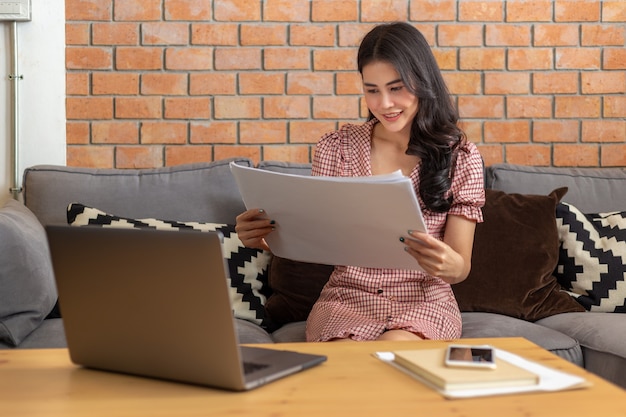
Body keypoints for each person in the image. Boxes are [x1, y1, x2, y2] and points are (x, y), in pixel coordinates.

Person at [235, 22, 485, 342]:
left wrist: (449, 265)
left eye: (396, 88)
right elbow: (316, 237)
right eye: (372, 90)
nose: (384, 104)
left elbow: (460, 267)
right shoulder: (336, 148)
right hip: (346, 300)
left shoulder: (460, 156)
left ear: (423, 82)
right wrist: (263, 237)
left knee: (392, 354)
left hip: (423, 302)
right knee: (350, 368)